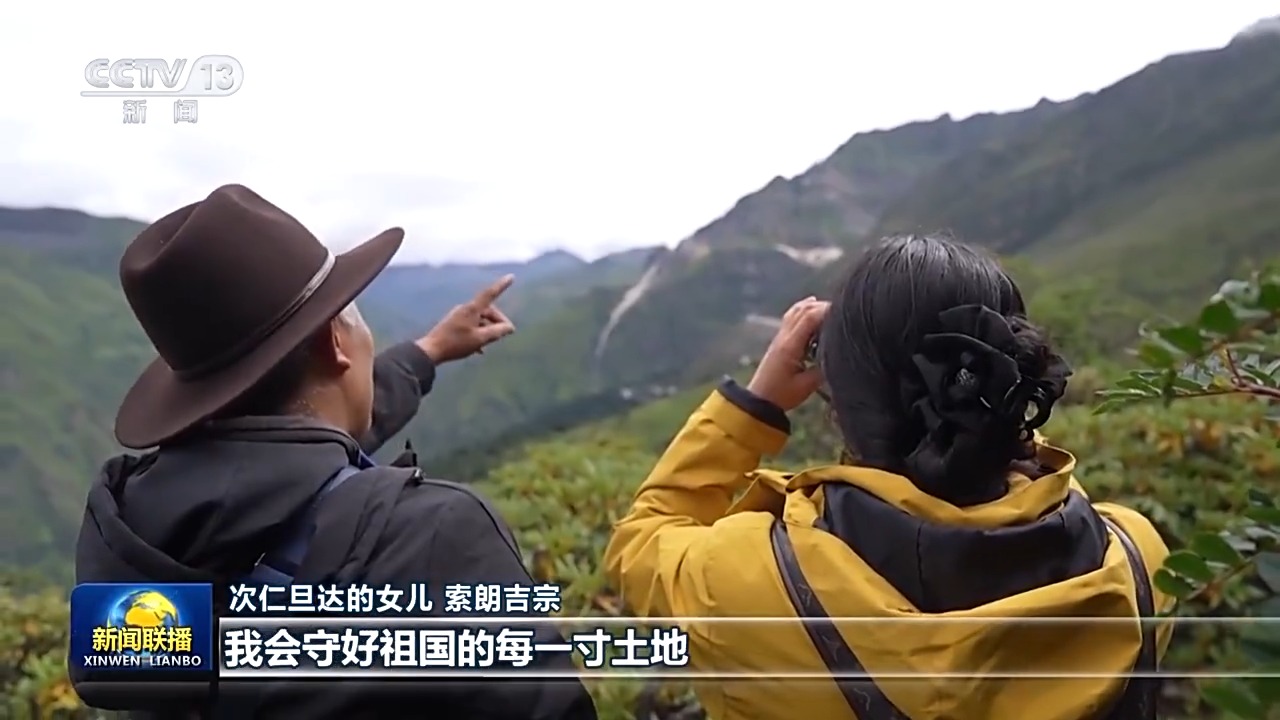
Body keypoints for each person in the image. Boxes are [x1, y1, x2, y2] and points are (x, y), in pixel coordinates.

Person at [72, 184, 598, 719]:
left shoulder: (134, 551)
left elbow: (296, 451)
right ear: (335, 342)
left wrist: (426, 353)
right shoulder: (436, 536)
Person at [604, 234, 1173, 720]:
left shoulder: (743, 584)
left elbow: (641, 539)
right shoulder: (1136, 563)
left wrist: (754, 406)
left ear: (841, 403)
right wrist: (997, 433)